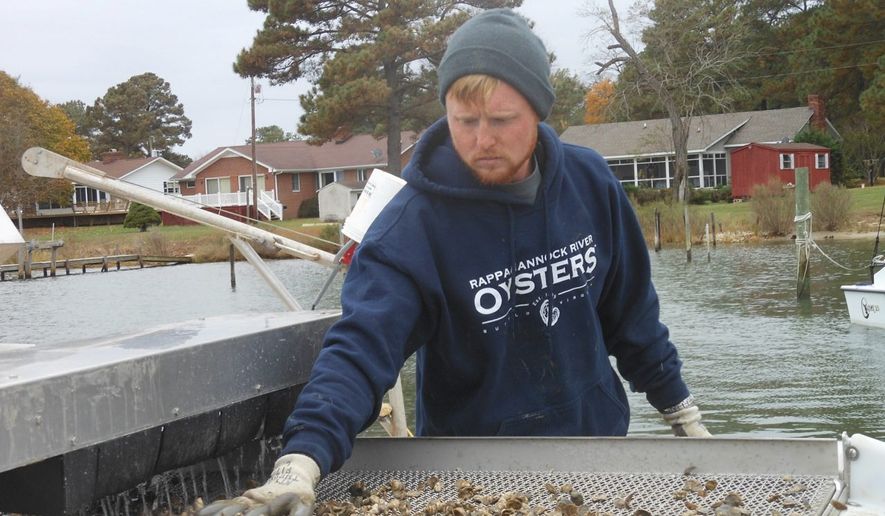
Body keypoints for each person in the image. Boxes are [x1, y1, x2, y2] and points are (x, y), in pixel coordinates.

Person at [201, 8, 710, 516]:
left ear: (538, 111)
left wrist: (683, 415)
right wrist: (300, 462)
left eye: (502, 120)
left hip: (598, 457)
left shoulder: (591, 185)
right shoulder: (411, 228)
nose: (482, 139)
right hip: (471, 475)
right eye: (464, 121)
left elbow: (633, 317)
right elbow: (360, 352)